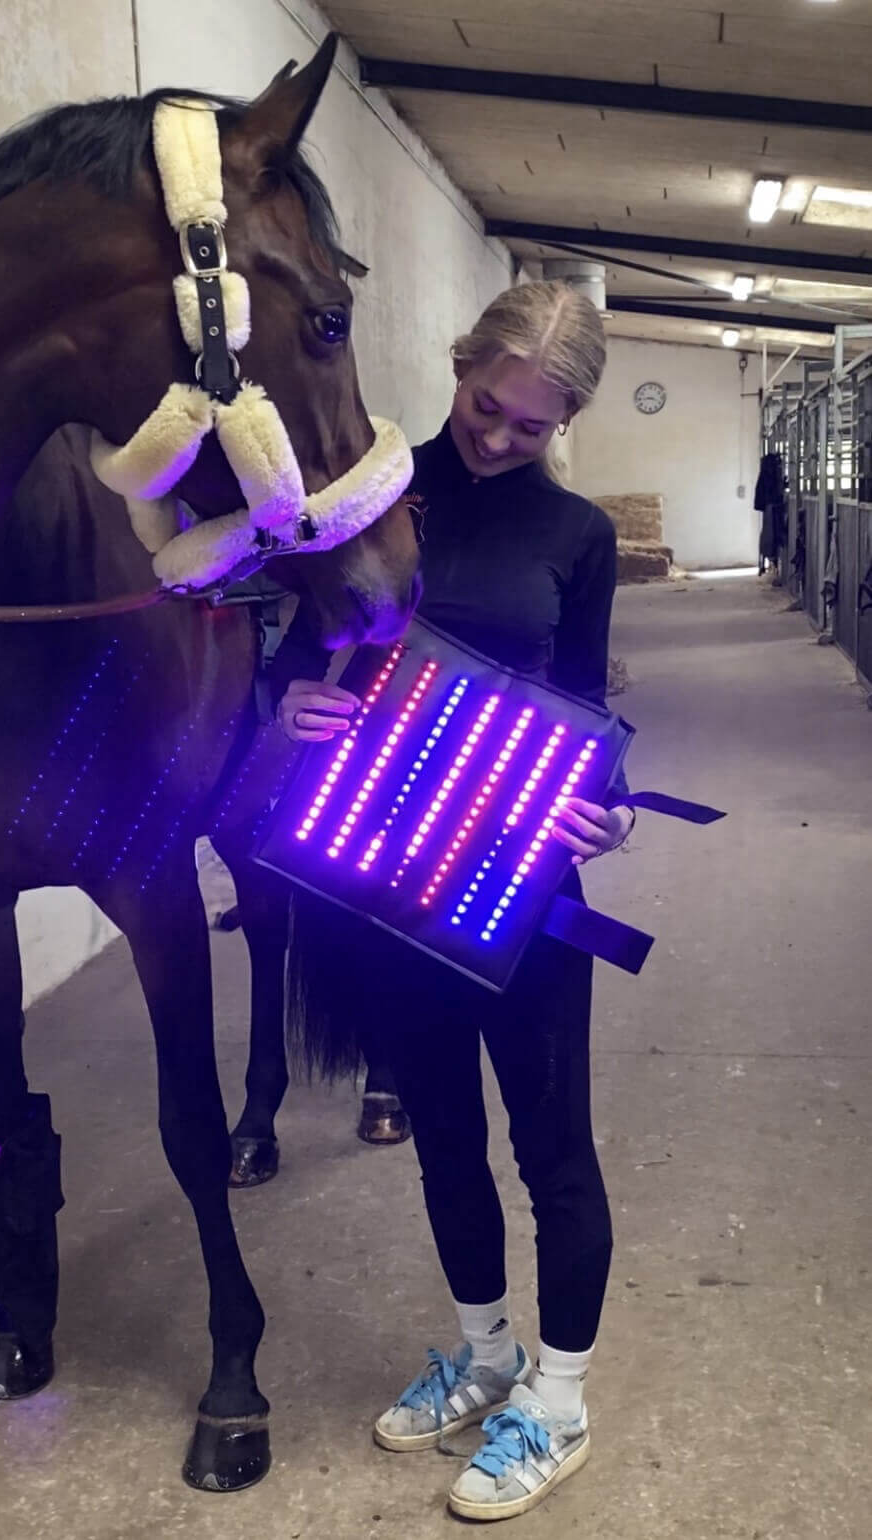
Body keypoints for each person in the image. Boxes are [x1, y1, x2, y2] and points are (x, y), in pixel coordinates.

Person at [271, 281, 633, 1522]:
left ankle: (559, 1399)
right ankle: (484, 1355)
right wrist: (288, 703)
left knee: (551, 1143)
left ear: (565, 422)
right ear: (459, 364)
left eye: (531, 426)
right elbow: (297, 653)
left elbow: (585, 708)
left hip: (518, 882)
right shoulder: (370, 496)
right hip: (384, 872)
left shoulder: (576, 535)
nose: (497, 436)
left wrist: (611, 811)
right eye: (487, 405)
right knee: (439, 1126)